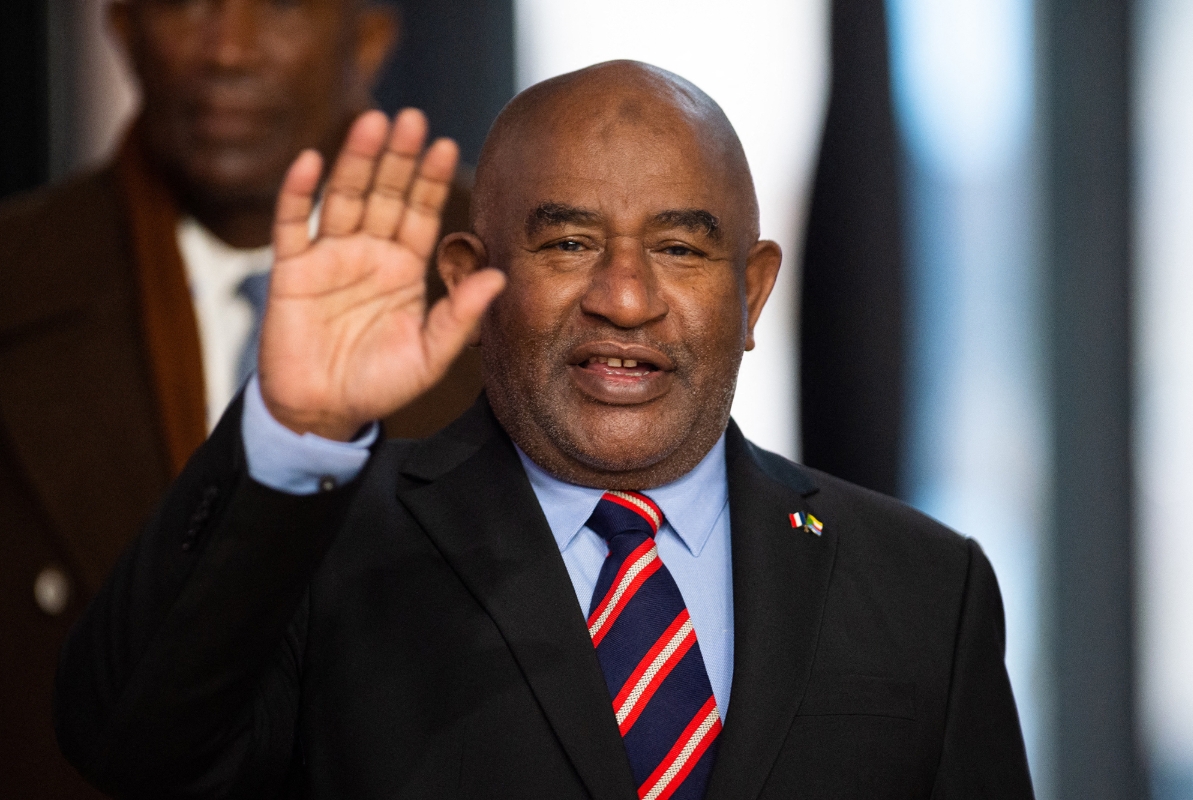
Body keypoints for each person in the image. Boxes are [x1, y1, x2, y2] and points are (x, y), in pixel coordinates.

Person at [55, 61, 1034, 799]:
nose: (624, 297)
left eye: (679, 248)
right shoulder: (327, 551)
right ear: (469, 277)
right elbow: (125, 746)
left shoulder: (924, 587)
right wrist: (292, 430)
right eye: (568, 242)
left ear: (754, 290)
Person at [0, 1, 480, 796]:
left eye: (281, 5)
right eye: (186, 2)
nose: (228, 48)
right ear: (122, 28)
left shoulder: (517, 285)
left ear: (367, 38)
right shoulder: (20, 282)